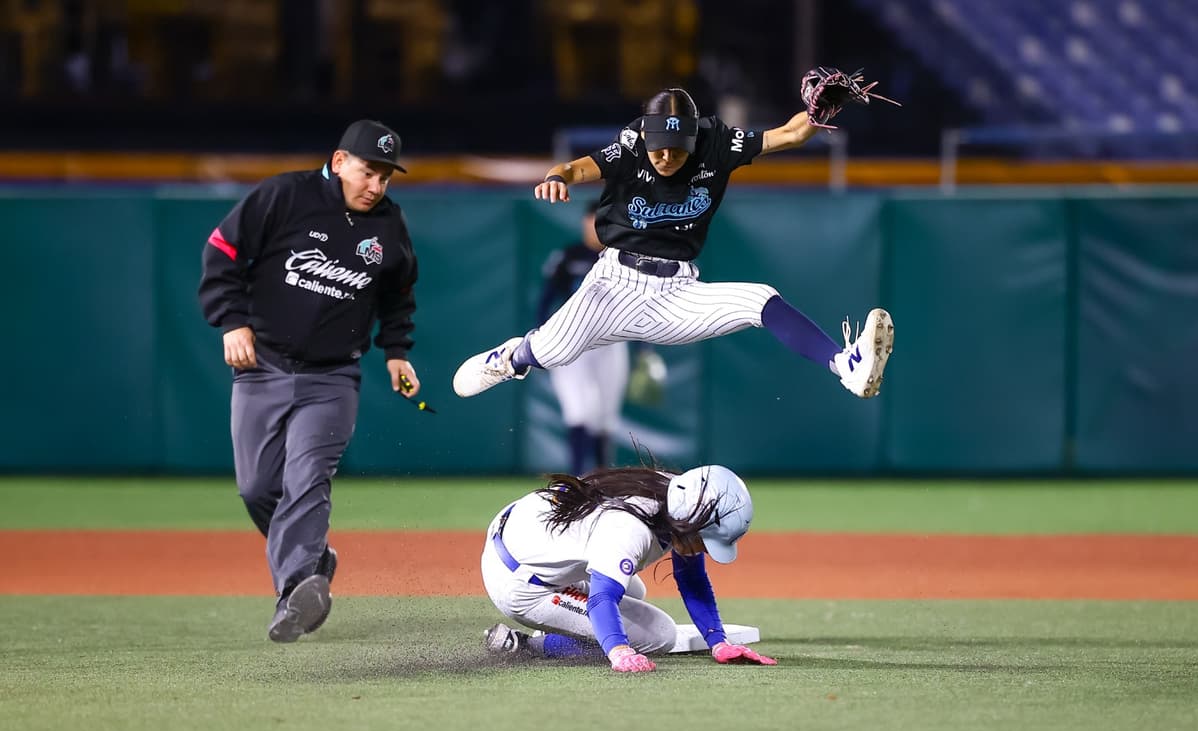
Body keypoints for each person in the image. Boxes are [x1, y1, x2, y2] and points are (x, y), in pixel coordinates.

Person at [453, 87, 894, 402]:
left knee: (760, 300)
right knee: (553, 350)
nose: (665, 156)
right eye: (658, 147)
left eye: (675, 149)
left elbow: (791, 134)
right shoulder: (630, 147)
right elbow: (570, 168)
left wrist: (815, 116)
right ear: (645, 134)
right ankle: (511, 357)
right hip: (613, 284)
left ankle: (845, 366)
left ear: (693, 138)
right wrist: (554, 178)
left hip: (676, 292)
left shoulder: (717, 143)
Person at [198, 119, 421, 643]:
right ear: (339, 161)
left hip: (332, 378)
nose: (376, 186)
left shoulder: (389, 225)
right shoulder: (284, 196)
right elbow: (221, 253)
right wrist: (231, 319)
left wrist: (397, 352)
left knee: (306, 479)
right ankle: (316, 556)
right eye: (369, 172)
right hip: (262, 370)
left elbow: (398, 292)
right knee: (256, 488)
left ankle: (296, 588)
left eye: (386, 177)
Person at [480, 463, 777, 672]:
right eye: (706, 540)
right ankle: (526, 646)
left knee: (634, 589)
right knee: (659, 635)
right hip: (519, 582)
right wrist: (619, 650)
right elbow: (601, 599)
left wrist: (718, 641)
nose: (705, 550)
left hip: (523, 537)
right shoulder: (628, 529)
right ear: (689, 523)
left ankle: (562, 624)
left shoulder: (677, 495)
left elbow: (692, 578)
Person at [536, 199, 631, 475]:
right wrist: (541, 340)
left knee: (605, 416)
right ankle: (577, 477)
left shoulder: (622, 257)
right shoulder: (569, 256)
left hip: (611, 340)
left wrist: (645, 350)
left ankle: (602, 477)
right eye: (592, 221)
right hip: (573, 341)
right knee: (578, 411)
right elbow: (545, 301)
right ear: (584, 222)